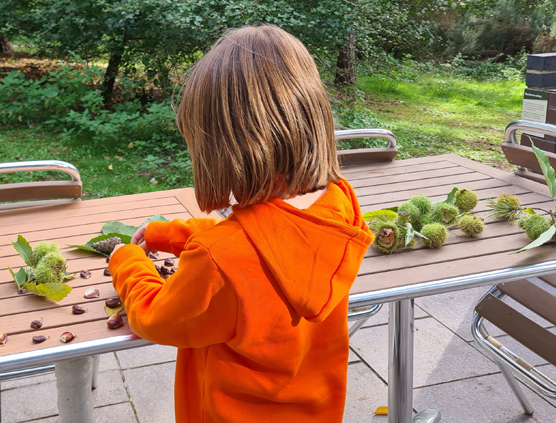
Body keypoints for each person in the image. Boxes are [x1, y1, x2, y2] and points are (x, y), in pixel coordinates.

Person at [108, 25, 374, 423]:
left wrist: (127, 261)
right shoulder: (339, 204)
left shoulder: (220, 260)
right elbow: (270, 240)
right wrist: (174, 234)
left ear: (225, 149)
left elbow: (158, 319)